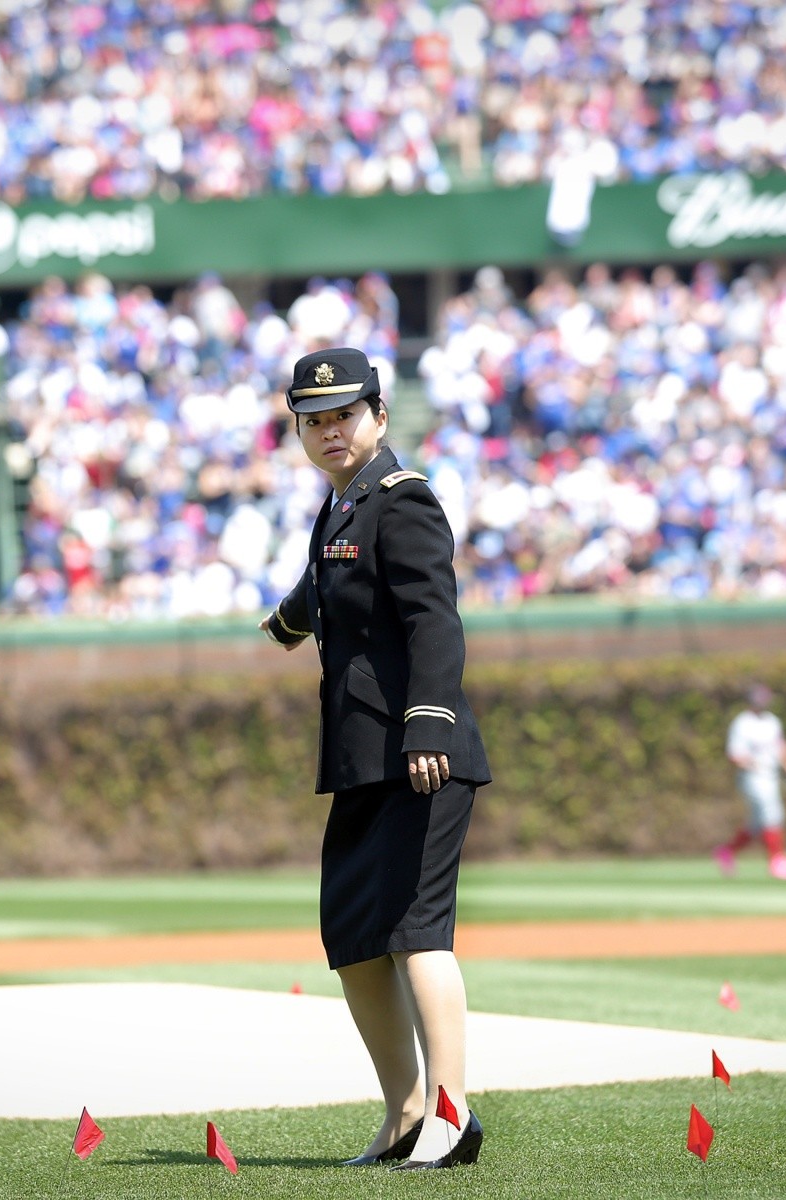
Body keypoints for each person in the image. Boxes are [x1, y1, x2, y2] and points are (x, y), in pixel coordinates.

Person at [260, 347, 490, 1171]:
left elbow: (435, 620)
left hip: (419, 751)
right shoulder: (340, 509)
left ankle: (452, 1115)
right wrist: (290, 618)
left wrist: (430, 721)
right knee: (355, 936)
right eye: (313, 421)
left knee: (417, 932)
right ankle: (404, 1114)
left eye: (344, 416)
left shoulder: (404, 500)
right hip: (362, 757)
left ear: (380, 416)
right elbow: (332, 589)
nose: (328, 431)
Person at [715, 683, 786, 880]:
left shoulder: (772, 722)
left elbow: (781, 747)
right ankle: (777, 861)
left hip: (771, 776)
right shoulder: (742, 723)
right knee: (772, 813)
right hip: (752, 777)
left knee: (757, 824)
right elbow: (735, 755)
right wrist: (755, 764)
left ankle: (727, 852)